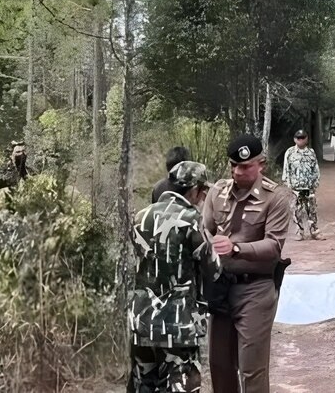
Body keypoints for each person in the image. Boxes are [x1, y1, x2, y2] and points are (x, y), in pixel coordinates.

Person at [203, 134, 293, 393]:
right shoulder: (217, 192)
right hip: (221, 289)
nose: (237, 171)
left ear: (261, 164)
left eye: (244, 166)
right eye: (233, 165)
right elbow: (203, 229)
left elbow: (274, 245)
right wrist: (209, 244)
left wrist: (236, 248)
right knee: (219, 364)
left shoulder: (274, 197)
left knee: (251, 367)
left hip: (255, 289)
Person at [129, 161, 222, 393]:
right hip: (178, 325)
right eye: (202, 192)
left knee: (143, 385)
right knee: (180, 386)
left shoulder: (140, 216)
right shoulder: (191, 218)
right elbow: (214, 269)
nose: (201, 198)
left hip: (141, 322)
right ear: (194, 190)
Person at [282, 129, 322, 241]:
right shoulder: (290, 152)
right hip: (296, 188)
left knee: (312, 210)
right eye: (298, 138)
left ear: (306, 139)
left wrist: (315, 183)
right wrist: (288, 184)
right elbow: (286, 170)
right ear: (295, 139)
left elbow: (315, 168)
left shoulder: (311, 152)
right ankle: (299, 232)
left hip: (309, 187)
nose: (300, 140)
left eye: (303, 138)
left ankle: (314, 231)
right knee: (297, 211)